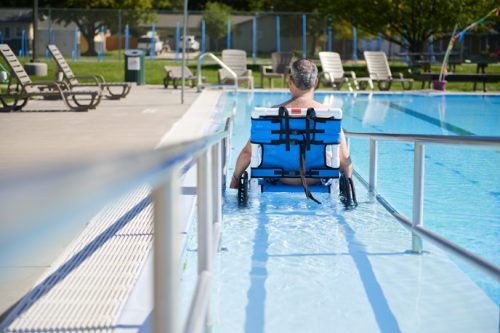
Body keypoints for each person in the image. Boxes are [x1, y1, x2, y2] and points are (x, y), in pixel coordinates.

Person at [229, 58, 353, 189]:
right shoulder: (329, 114)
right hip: (314, 179)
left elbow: (247, 154)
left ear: (290, 81)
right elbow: (344, 159)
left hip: (280, 178)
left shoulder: (270, 113)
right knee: (327, 155)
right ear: (315, 82)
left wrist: (235, 178)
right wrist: (349, 186)